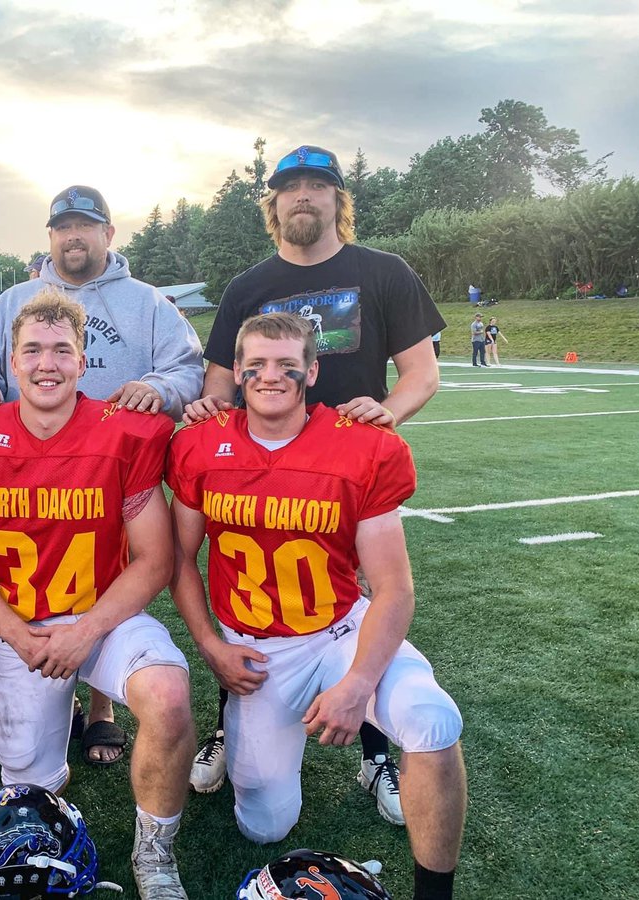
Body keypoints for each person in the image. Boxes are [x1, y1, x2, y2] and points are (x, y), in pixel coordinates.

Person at [169, 312, 466, 900]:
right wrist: (210, 646)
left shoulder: (361, 444)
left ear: (312, 369)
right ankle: (239, 736)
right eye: (255, 364)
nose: (269, 375)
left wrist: (358, 683)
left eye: (285, 364)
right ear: (237, 370)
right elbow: (178, 561)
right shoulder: (201, 443)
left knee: (433, 721)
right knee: (264, 826)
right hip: (255, 652)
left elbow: (395, 589)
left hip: (337, 632)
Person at [187, 144, 444, 820]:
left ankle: (375, 755)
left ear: (338, 201)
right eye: (290, 187)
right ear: (273, 205)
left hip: (351, 476)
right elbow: (220, 383)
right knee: (251, 594)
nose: (303, 196)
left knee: (355, 608)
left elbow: (423, 372)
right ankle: (233, 724)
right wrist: (210, 415)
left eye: (317, 186)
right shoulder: (248, 285)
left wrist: (388, 414)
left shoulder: (383, 272)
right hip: (262, 472)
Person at [0, 290, 194, 899]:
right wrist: (16, 632)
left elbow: (155, 559)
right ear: (10, 359)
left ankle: (154, 854)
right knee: (31, 786)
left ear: (83, 362)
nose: (46, 363)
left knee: (169, 695)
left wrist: (85, 632)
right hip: (24, 626)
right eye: (32, 350)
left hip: (102, 618)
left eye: (61, 350)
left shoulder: (122, 433)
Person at [0, 184, 203, 769]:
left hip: (115, 466)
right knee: (14, 576)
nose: (73, 236)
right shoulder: (15, 299)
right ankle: (9, 706)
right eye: (63, 227)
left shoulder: (147, 303)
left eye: (85, 226)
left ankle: (100, 710)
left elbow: (187, 368)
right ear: (50, 236)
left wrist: (157, 388)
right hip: (22, 464)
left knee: (109, 568)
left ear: (108, 235)